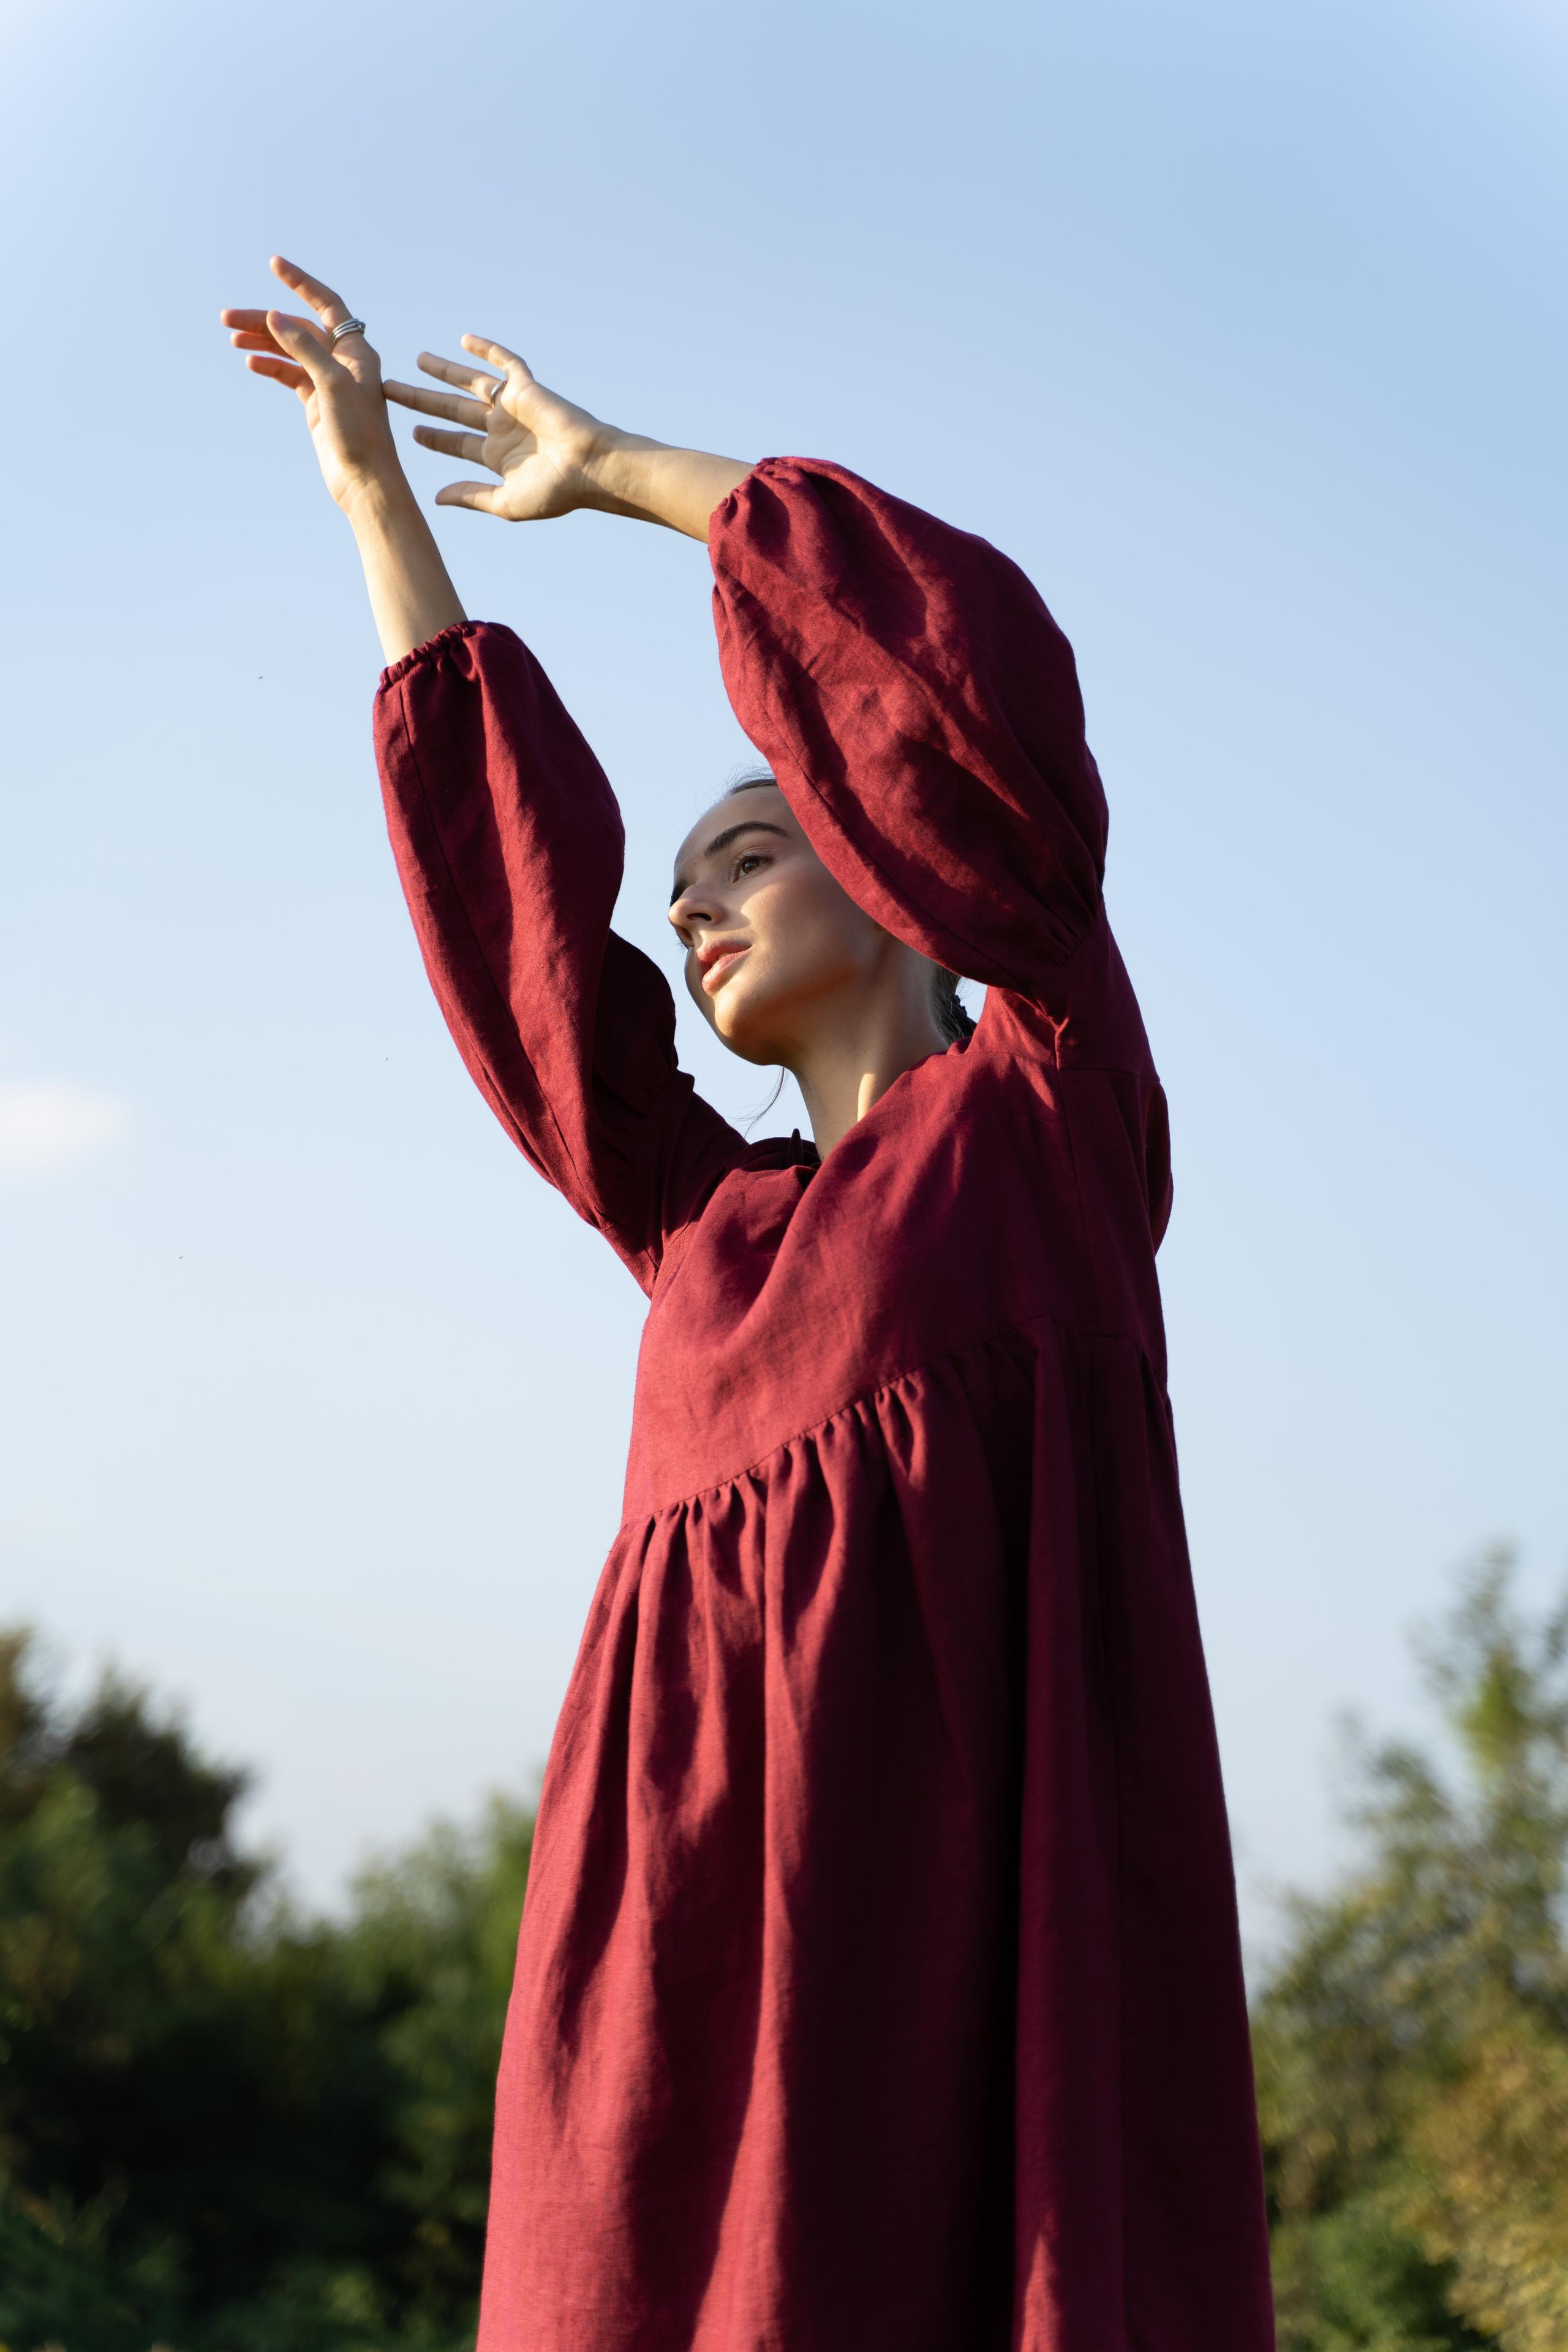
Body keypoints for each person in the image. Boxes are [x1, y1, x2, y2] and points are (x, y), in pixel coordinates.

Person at [222, 256, 1276, 2352]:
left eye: (746, 850)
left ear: (889, 870)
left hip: (957, 1968)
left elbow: (943, 691)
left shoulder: (1043, 1118)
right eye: (685, 874)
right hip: (683, 2005)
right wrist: (375, 504)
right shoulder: (704, 1234)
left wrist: (615, 473)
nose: (686, 898)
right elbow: (523, 943)